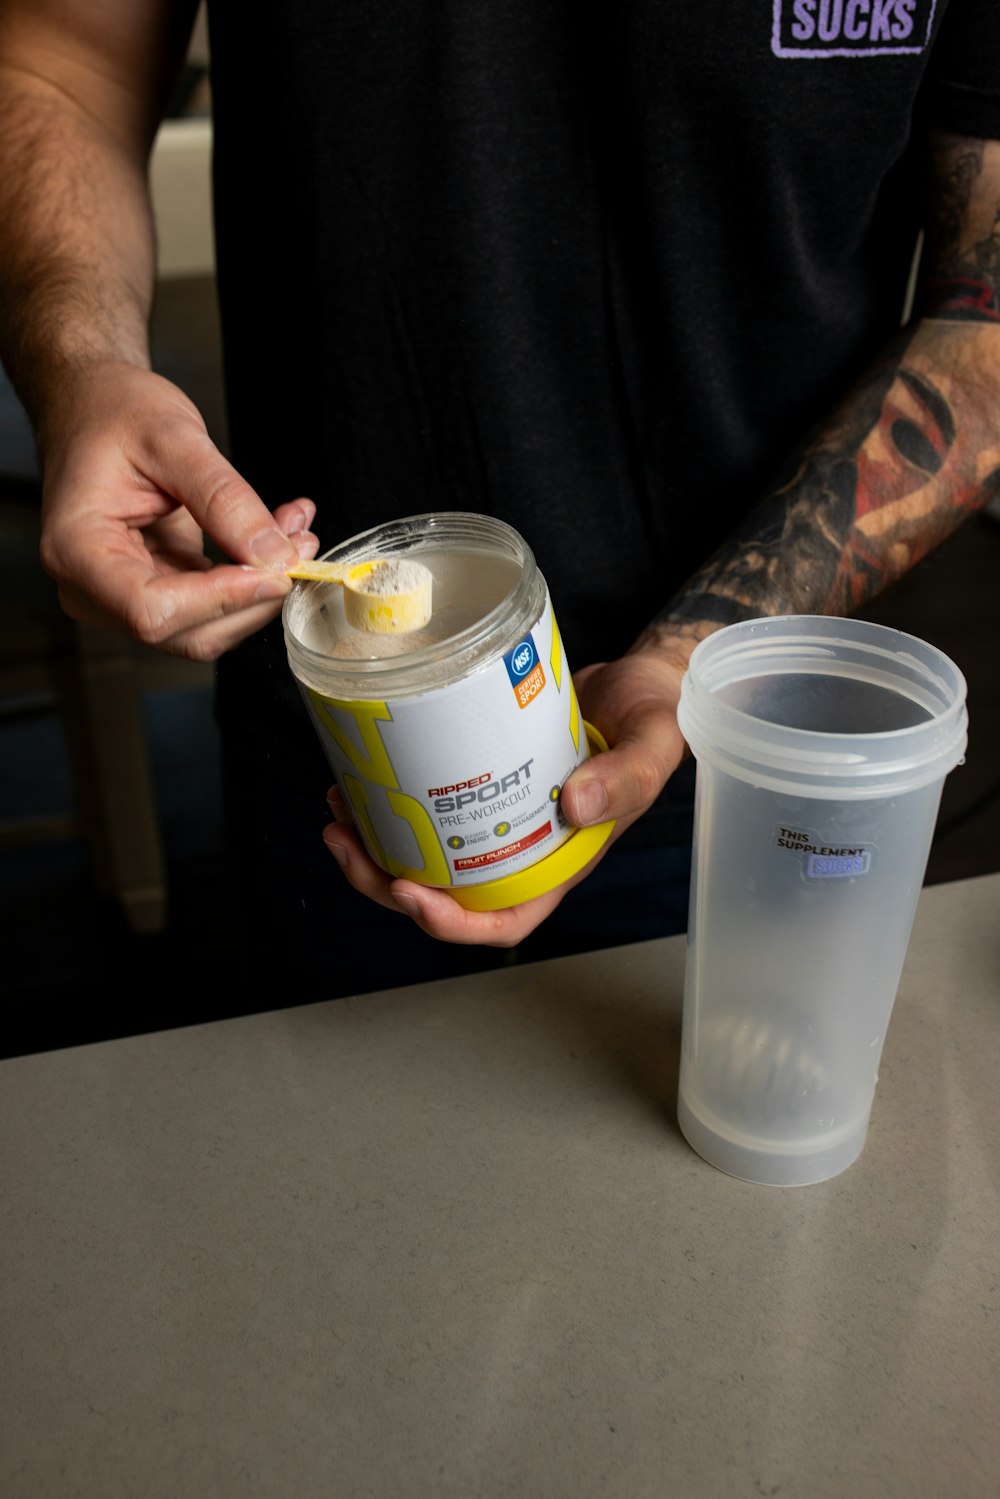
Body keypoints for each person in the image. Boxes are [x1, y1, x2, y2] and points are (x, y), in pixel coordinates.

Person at [0, 1, 998, 994]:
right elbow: (58, 66)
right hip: (344, 761)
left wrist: (688, 661)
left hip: (745, 759)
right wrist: (83, 366)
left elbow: (985, 322)